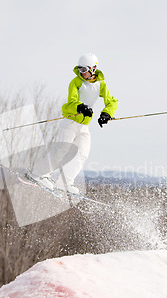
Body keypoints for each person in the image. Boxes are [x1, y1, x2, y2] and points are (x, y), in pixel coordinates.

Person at [27, 53, 118, 194]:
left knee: (82, 153)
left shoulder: (101, 84)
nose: (82, 73)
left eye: (84, 70)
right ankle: (37, 174)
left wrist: (106, 114)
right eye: (80, 70)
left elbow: (112, 101)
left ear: (93, 68)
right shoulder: (76, 82)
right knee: (62, 150)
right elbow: (71, 102)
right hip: (70, 122)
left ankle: (64, 183)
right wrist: (80, 107)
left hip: (84, 126)